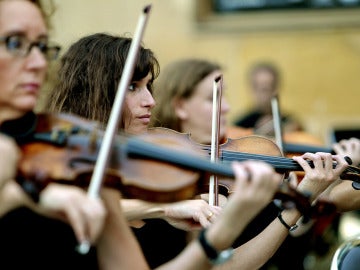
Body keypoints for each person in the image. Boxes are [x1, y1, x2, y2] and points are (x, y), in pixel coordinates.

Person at [42, 32, 299, 270]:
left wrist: (291, 211)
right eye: (133, 87)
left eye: (148, 86)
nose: (150, 100)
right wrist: (164, 208)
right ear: (96, 93)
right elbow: (82, 205)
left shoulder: (162, 174)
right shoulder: (59, 164)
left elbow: (221, 268)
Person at [150, 58, 350, 269]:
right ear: (180, 106)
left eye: (223, 96)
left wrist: (302, 200)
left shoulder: (234, 172)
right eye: (213, 99)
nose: (226, 107)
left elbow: (286, 250)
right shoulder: (158, 177)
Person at [233, 61, 303, 138]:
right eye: (257, 87)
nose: (263, 94)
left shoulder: (290, 123)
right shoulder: (240, 126)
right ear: (251, 89)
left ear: (276, 88)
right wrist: (256, 134)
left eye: (268, 88)